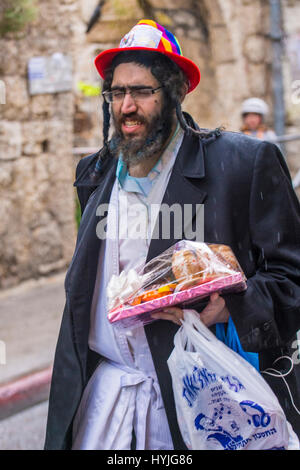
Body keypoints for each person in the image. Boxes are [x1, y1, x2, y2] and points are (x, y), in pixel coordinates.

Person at [44, 19, 300, 450]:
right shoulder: (94, 172)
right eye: (118, 92)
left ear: (176, 92)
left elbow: (293, 280)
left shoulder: (241, 164)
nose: (126, 106)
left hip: (197, 407)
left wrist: (230, 307)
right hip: (104, 411)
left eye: (143, 91)